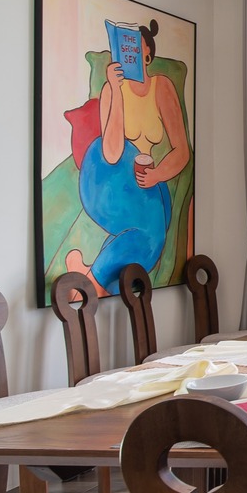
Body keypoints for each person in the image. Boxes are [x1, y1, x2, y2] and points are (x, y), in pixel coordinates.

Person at [63, 19, 190, 294]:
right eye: (122, 47)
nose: (128, 53)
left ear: (147, 53)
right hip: (104, 174)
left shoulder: (162, 87)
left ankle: (87, 272)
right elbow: (111, 152)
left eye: (134, 47)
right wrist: (116, 91)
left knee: (154, 228)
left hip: (143, 176)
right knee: (151, 232)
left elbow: (182, 152)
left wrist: (158, 174)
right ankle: (93, 283)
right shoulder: (111, 89)